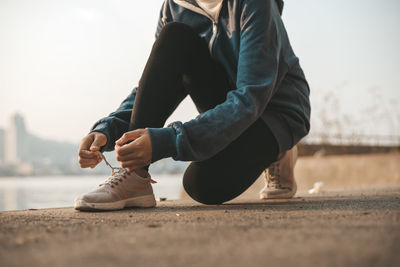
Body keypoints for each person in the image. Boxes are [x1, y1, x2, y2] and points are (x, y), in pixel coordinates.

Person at [75, 0, 310, 211]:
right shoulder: (174, 6)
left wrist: (165, 141)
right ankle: (135, 176)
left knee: (202, 186)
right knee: (173, 36)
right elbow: (155, 83)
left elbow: (250, 98)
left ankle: (279, 150)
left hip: (274, 112)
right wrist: (106, 129)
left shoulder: (255, 4)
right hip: (225, 103)